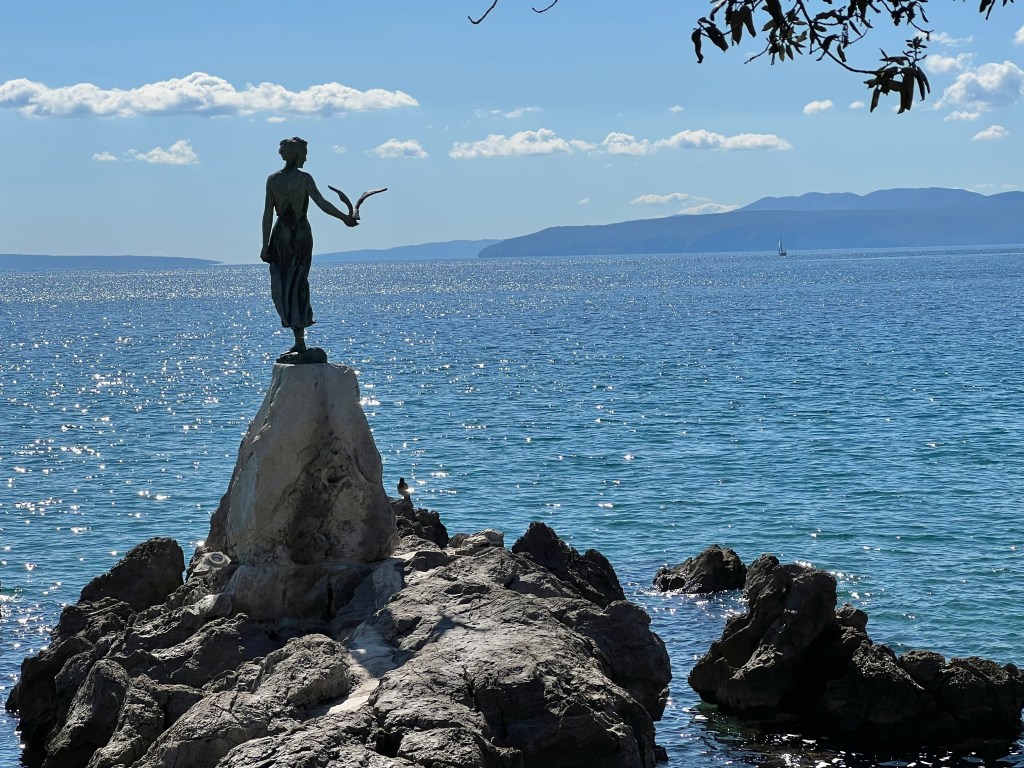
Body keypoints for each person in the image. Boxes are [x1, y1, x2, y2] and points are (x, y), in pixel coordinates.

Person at [260, 137, 358, 354]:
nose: (306, 157)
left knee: (286, 285)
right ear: (297, 154)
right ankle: (299, 339)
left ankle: (299, 340)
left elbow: (268, 215)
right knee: (297, 284)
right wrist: (344, 217)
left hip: (282, 235)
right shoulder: (303, 179)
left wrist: (265, 244)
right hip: (298, 234)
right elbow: (321, 203)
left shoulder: (273, 180)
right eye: (304, 152)